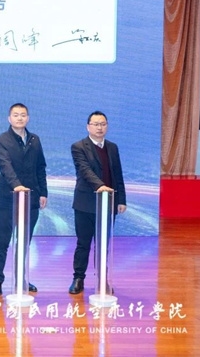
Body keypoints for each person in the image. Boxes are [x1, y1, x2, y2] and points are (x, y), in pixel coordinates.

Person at [0, 103, 48, 296]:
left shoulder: (34, 140)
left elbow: (40, 167)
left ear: (28, 118)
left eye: (23, 115)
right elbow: (4, 166)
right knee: (3, 240)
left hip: (30, 199)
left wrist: (43, 192)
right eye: (16, 115)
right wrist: (16, 185)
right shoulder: (1, 140)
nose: (20, 118)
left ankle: (21, 278)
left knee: (24, 242)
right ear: (9, 118)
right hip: (7, 199)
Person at [68, 111, 127, 294]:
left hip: (108, 204)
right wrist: (100, 186)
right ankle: (78, 278)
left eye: (103, 124)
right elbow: (84, 170)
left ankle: (102, 279)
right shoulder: (78, 147)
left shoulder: (112, 148)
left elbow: (117, 175)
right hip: (85, 203)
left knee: (103, 245)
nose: (99, 128)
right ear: (88, 127)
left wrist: (121, 199)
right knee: (83, 243)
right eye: (96, 124)